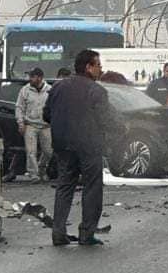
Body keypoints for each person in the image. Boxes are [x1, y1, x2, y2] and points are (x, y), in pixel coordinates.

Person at [42, 49, 116, 246]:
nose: (101, 69)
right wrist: (120, 129)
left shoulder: (58, 88)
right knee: (92, 187)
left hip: (63, 144)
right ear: (88, 67)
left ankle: (58, 232)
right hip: (88, 144)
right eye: (98, 65)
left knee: (65, 185)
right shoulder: (96, 90)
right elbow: (105, 118)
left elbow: (46, 115)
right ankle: (87, 233)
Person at [15, 68, 52, 182]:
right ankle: (34, 175)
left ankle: (42, 169)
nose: (30, 79)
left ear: (40, 78)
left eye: (32, 77)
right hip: (30, 125)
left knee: (48, 151)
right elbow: (19, 107)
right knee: (31, 151)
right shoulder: (25, 90)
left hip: (46, 126)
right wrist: (20, 123)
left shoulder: (50, 90)